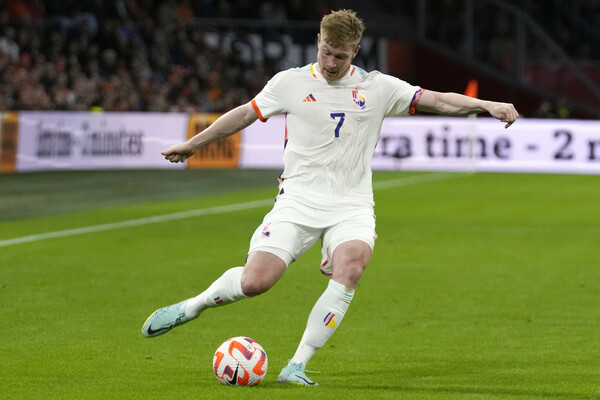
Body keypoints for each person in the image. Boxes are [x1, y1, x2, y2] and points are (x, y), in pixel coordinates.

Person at [142, 9, 519, 386]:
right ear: (318, 42)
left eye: (341, 56)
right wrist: (193, 144)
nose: (332, 63)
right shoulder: (289, 83)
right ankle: (192, 306)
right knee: (256, 282)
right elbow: (243, 115)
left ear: (355, 51)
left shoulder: (378, 87)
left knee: (351, 268)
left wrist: (487, 105)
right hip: (298, 201)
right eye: (326, 53)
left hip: (351, 205)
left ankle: (296, 365)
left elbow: (439, 101)